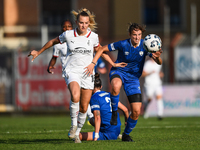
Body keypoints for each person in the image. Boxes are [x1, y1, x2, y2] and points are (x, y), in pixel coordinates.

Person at [28, 8, 125, 143]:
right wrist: (38, 52)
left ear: (89, 23)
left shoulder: (93, 36)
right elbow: (53, 42)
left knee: (84, 107)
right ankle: (74, 125)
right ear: (76, 22)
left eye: (86, 23)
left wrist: (113, 64)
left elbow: (101, 50)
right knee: (75, 95)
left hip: (88, 73)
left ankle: (77, 133)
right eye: (81, 23)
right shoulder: (68, 35)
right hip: (72, 70)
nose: (83, 25)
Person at [85, 23, 163, 141]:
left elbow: (159, 62)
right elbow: (101, 49)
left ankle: (126, 134)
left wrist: (157, 57)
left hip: (133, 79)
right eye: (134, 35)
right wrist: (95, 63)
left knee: (136, 112)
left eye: (139, 35)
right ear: (130, 35)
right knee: (116, 86)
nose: (137, 37)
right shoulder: (123, 44)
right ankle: (115, 113)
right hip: (119, 72)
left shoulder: (145, 46)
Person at [47, 20, 94, 134]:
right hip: (69, 71)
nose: (67, 28)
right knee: (75, 95)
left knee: (83, 102)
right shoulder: (59, 44)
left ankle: (86, 122)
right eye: (64, 27)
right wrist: (50, 66)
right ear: (62, 28)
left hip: (83, 72)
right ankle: (77, 123)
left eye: (69, 26)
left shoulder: (79, 39)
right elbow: (54, 57)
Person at [79, 73, 121, 142]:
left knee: (78, 136)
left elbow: (97, 117)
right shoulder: (109, 94)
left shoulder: (94, 98)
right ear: (101, 86)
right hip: (117, 130)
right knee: (91, 120)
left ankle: (99, 134)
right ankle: (117, 134)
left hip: (108, 133)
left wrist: (96, 136)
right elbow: (125, 109)